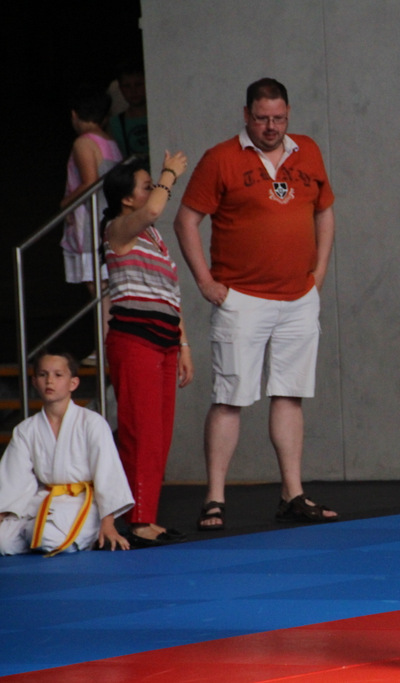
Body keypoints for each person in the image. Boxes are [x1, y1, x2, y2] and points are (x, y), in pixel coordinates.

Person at [173, 78, 337, 531]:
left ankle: (292, 492)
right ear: (246, 115)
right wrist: (205, 281)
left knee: (290, 394)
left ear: (289, 114)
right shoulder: (220, 158)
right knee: (230, 397)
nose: (271, 126)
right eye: (262, 118)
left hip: (298, 296)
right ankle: (214, 497)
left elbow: (324, 209)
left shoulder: (307, 150)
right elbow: (185, 220)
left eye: (278, 118)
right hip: (241, 297)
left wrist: (319, 273)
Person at [102, 153, 193, 547]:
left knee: (158, 436)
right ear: (127, 199)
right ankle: (137, 520)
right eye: (146, 186)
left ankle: (147, 516)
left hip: (164, 343)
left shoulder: (154, 238)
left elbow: (170, 294)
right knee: (140, 433)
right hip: (135, 342)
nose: (154, 190)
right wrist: (169, 174)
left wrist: (183, 344)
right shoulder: (117, 229)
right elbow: (155, 208)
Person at [0, 351, 134, 556]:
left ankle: (54, 534)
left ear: (73, 383)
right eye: (43, 375)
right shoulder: (26, 429)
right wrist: (3, 513)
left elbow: (108, 474)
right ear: (34, 382)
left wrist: (108, 524)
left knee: (46, 537)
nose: (49, 381)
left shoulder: (92, 423)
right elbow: (14, 478)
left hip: (80, 500)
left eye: (58, 375)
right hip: (43, 498)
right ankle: (38, 534)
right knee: (3, 543)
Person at [60, 84, 124, 362]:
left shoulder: (84, 143)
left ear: (75, 115)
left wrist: (65, 203)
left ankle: (108, 345)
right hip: (108, 218)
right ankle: (109, 344)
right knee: (105, 285)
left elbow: (89, 182)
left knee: (97, 285)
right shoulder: (110, 141)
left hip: (91, 221)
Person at [108, 62, 150, 170]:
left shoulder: (159, 118)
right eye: (127, 86)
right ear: (120, 89)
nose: (133, 91)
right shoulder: (114, 124)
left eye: (138, 85)